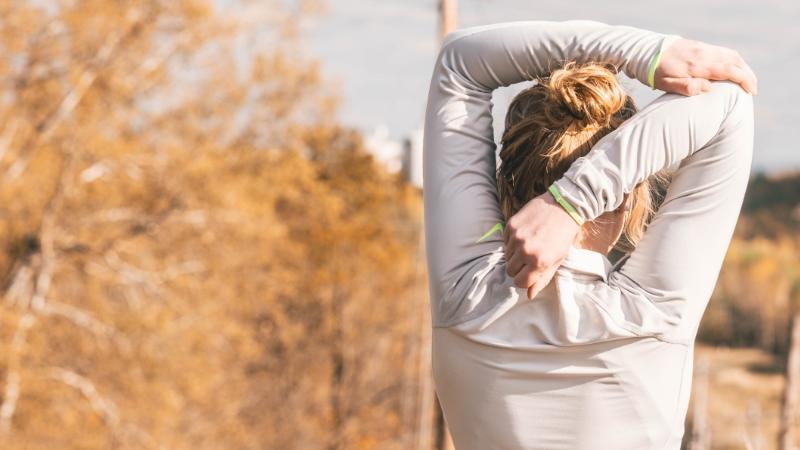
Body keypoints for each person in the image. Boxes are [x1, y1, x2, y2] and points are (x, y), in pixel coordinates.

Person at [423, 20, 756, 450]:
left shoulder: (464, 294)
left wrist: (652, 53)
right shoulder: (651, 314)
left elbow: (461, 61)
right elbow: (730, 102)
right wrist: (572, 202)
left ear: (505, 181)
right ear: (624, 195)